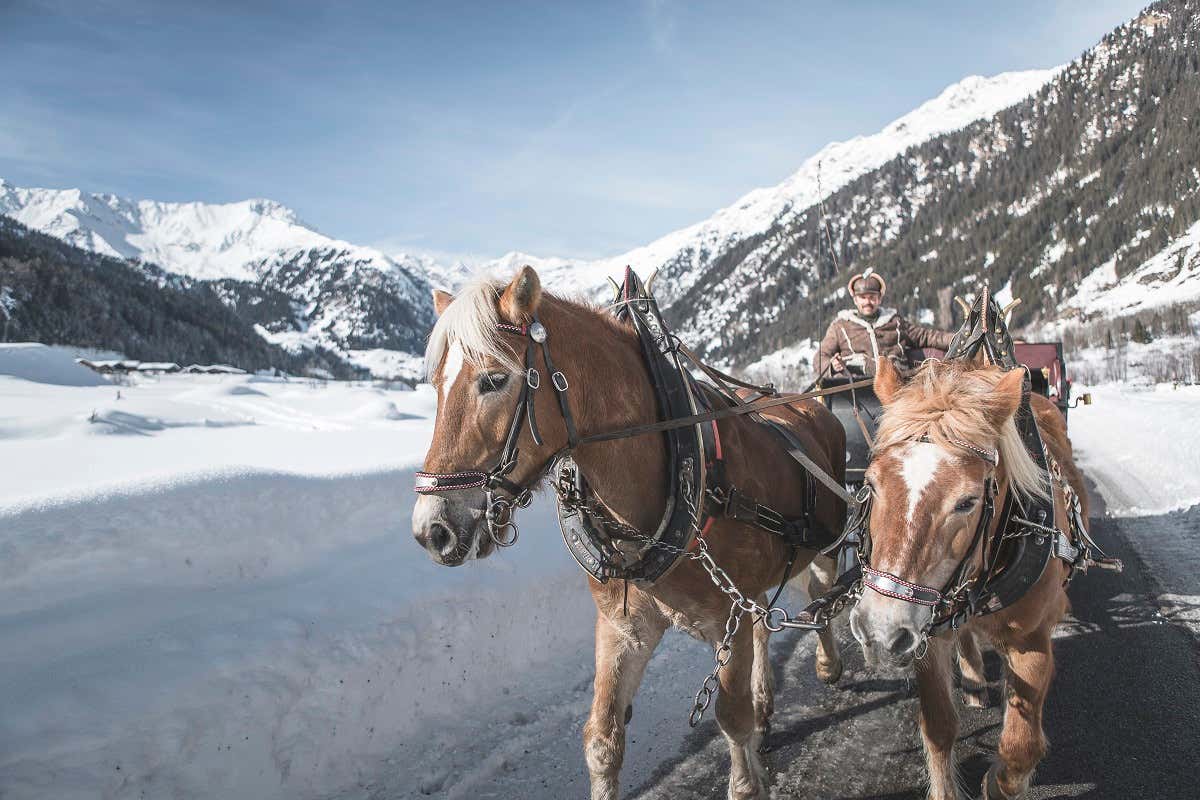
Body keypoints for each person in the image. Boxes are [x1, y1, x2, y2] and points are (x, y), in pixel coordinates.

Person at [814, 268, 955, 377]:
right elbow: (820, 358)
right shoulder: (841, 326)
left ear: (879, 299)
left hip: (897, 384)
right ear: (855, 300)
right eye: (863, 297)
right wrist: (832, 365)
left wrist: (959, 338)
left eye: (872, 297)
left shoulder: (895, 322)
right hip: (857, 390)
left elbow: (927, 337)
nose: (867, 302)